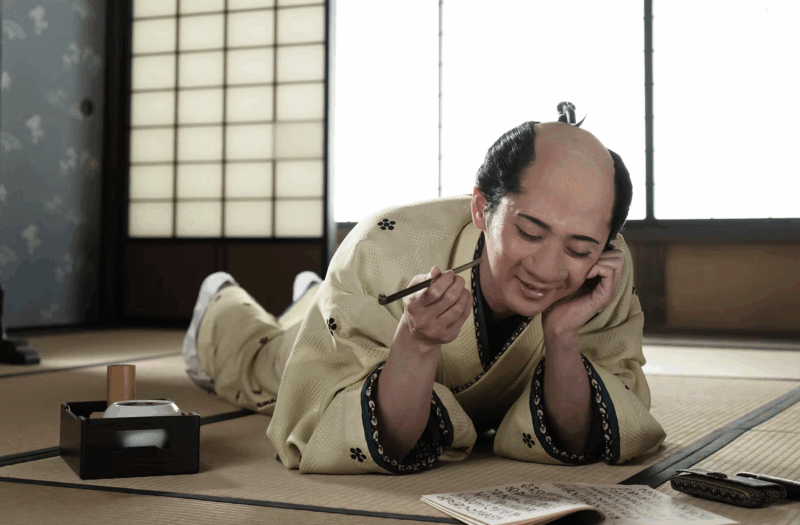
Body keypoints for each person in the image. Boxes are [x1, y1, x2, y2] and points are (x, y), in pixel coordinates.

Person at [182, 103, 666, 475]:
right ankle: (221, 301)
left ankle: (309, 295)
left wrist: (562, 336)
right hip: (359, 321)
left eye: (579, 248)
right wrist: (415, 341)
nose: (547, 268)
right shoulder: (384, 248)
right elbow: (354, 430)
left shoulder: (604, 273)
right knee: (259, 362)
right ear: (481, 208)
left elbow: (581, 437)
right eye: (530, 232)